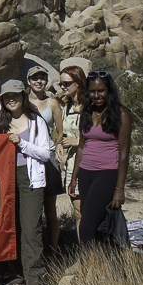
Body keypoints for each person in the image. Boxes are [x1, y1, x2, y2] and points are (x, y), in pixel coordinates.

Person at [0, 80, 50, 285]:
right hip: (5, 179)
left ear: (23, 96)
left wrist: (22, 144)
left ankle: (35, 283)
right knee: (11, 228)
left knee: (31, 229)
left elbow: (46, 154)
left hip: (30, 179)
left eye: (16, 95)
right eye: (7, 95)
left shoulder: (37, 122)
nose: (11, 99)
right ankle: (18, 275)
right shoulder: (0, 123)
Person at [68, 71, 132, 247]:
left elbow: (124, 154)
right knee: (98, 224)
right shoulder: (86, 113)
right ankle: (103, 264)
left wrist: (119, 188)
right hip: (86, 173)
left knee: (86, 226)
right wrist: (74, 176)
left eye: (101, 91)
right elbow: (81, 146)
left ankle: (89, 266)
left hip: (107, 174)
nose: (97, 96)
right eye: (92, 91)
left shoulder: (121, 114)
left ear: (109, 90)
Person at [27, 66, 64, 257]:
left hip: (48, 156)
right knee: (31, 208)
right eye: (35, 78)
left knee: (50, 208)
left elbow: (60, 130)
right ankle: (34, 252)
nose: (38, 81)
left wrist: (57, 145)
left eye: (42, 78)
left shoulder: (53, 103)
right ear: (28, 81)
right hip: (28, 155)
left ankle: (53, 253)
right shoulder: (23, 102)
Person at [55, 66, 87, 234]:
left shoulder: (89, 107)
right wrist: (60, 145)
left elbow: (101, 137)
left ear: (78, 82)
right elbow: (62, 134)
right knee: (78, 212)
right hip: (71, 165)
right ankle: (86, 255)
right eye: (61, 83)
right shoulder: (67, 107)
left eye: (67, 83)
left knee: (88, 211)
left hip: (88, 164)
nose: (63, 87)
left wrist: (78, 141)